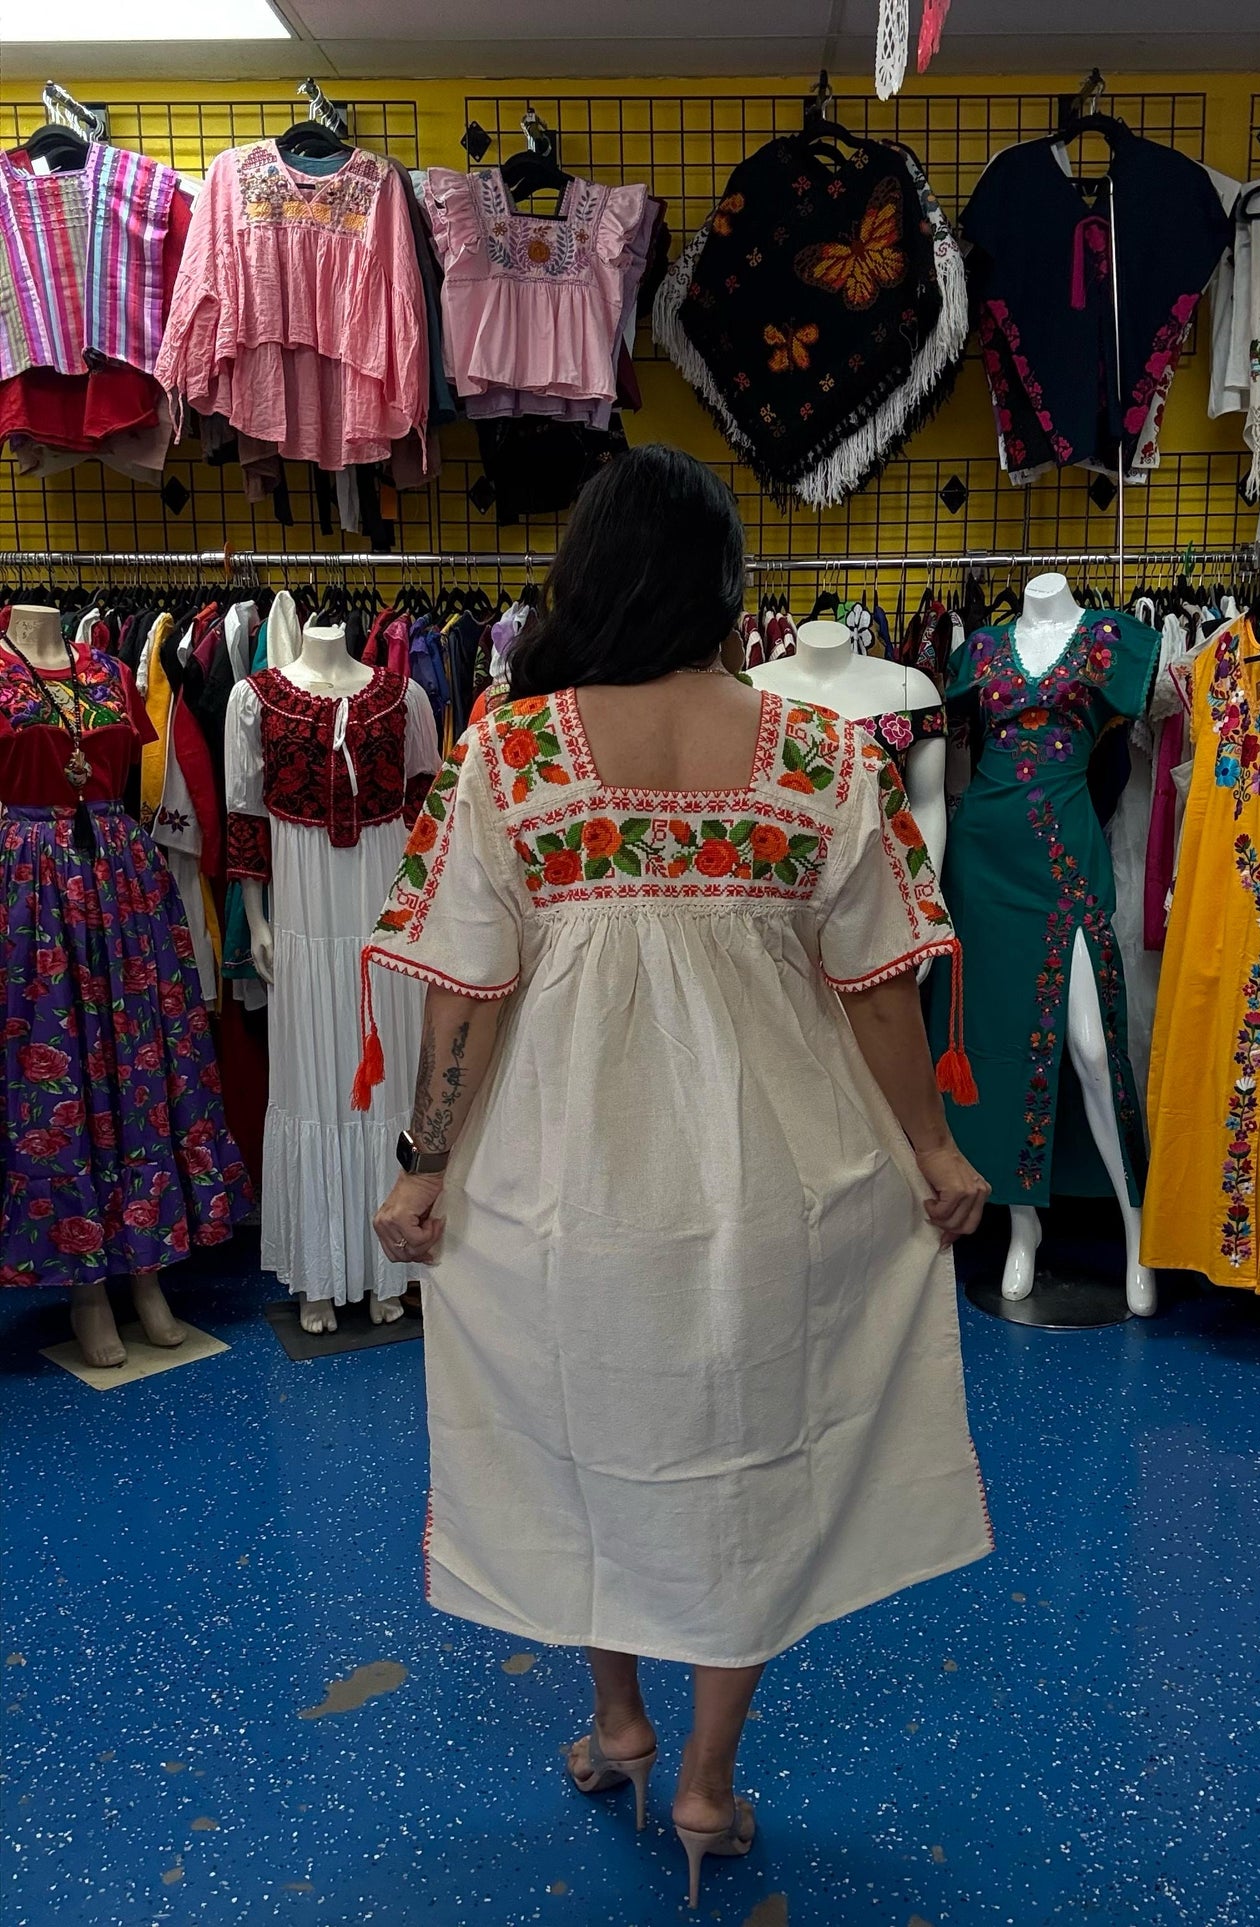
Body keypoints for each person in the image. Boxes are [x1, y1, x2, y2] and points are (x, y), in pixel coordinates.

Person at [361, 444, 994, 1908]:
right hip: (784, 1178)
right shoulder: (827, 756)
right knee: (749, 1460)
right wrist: (933, 1151)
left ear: (582, 579)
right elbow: (880, 990)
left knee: (582, 1435)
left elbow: (465, 988)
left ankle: (618, 1723)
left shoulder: (501, 756)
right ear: (723, 583)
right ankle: (707, 1782)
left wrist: (422, 1166)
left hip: (564, 1180)